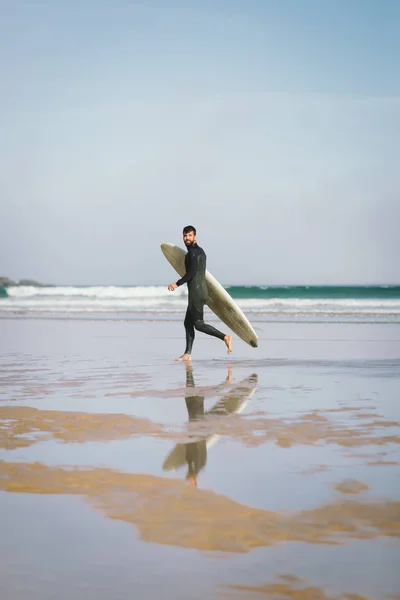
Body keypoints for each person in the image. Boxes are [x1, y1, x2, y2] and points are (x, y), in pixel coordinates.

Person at [168, 225, 232, 361]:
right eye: (185, 236)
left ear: (195, 237)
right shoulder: (200, 252)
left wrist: (177, 283)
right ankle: (187, 354)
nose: (187, 238)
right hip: (200, 290)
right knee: (187, 323)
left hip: (196, 291)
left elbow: (191, 274)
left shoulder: (193, 253)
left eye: (190, 235)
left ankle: (225, 337)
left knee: (198, 324)